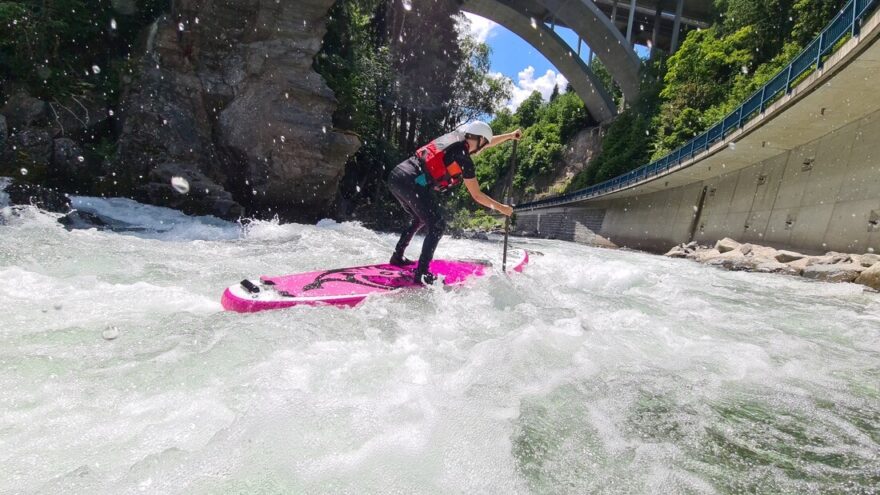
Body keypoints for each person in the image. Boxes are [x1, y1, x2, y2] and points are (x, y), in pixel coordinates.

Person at [386, 121, 522, 284]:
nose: (482, 149)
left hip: (397, 176)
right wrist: (502, 209)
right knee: (437, 225)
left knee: (420, 218)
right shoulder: (464, 158)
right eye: (483, 144)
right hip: (411, 182)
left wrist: (509, 136)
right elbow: (477, 195)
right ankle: (422, 273)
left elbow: (487, 141)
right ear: (478, 140)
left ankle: (397, 256)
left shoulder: (458, 139)